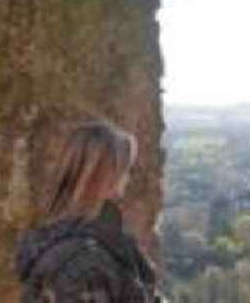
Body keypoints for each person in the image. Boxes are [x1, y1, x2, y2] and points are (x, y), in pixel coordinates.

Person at [16, 122, 158, 303]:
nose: (128, 178)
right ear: (108, 174)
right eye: (126, 169)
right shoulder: (86, 262)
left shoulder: (87, 240)